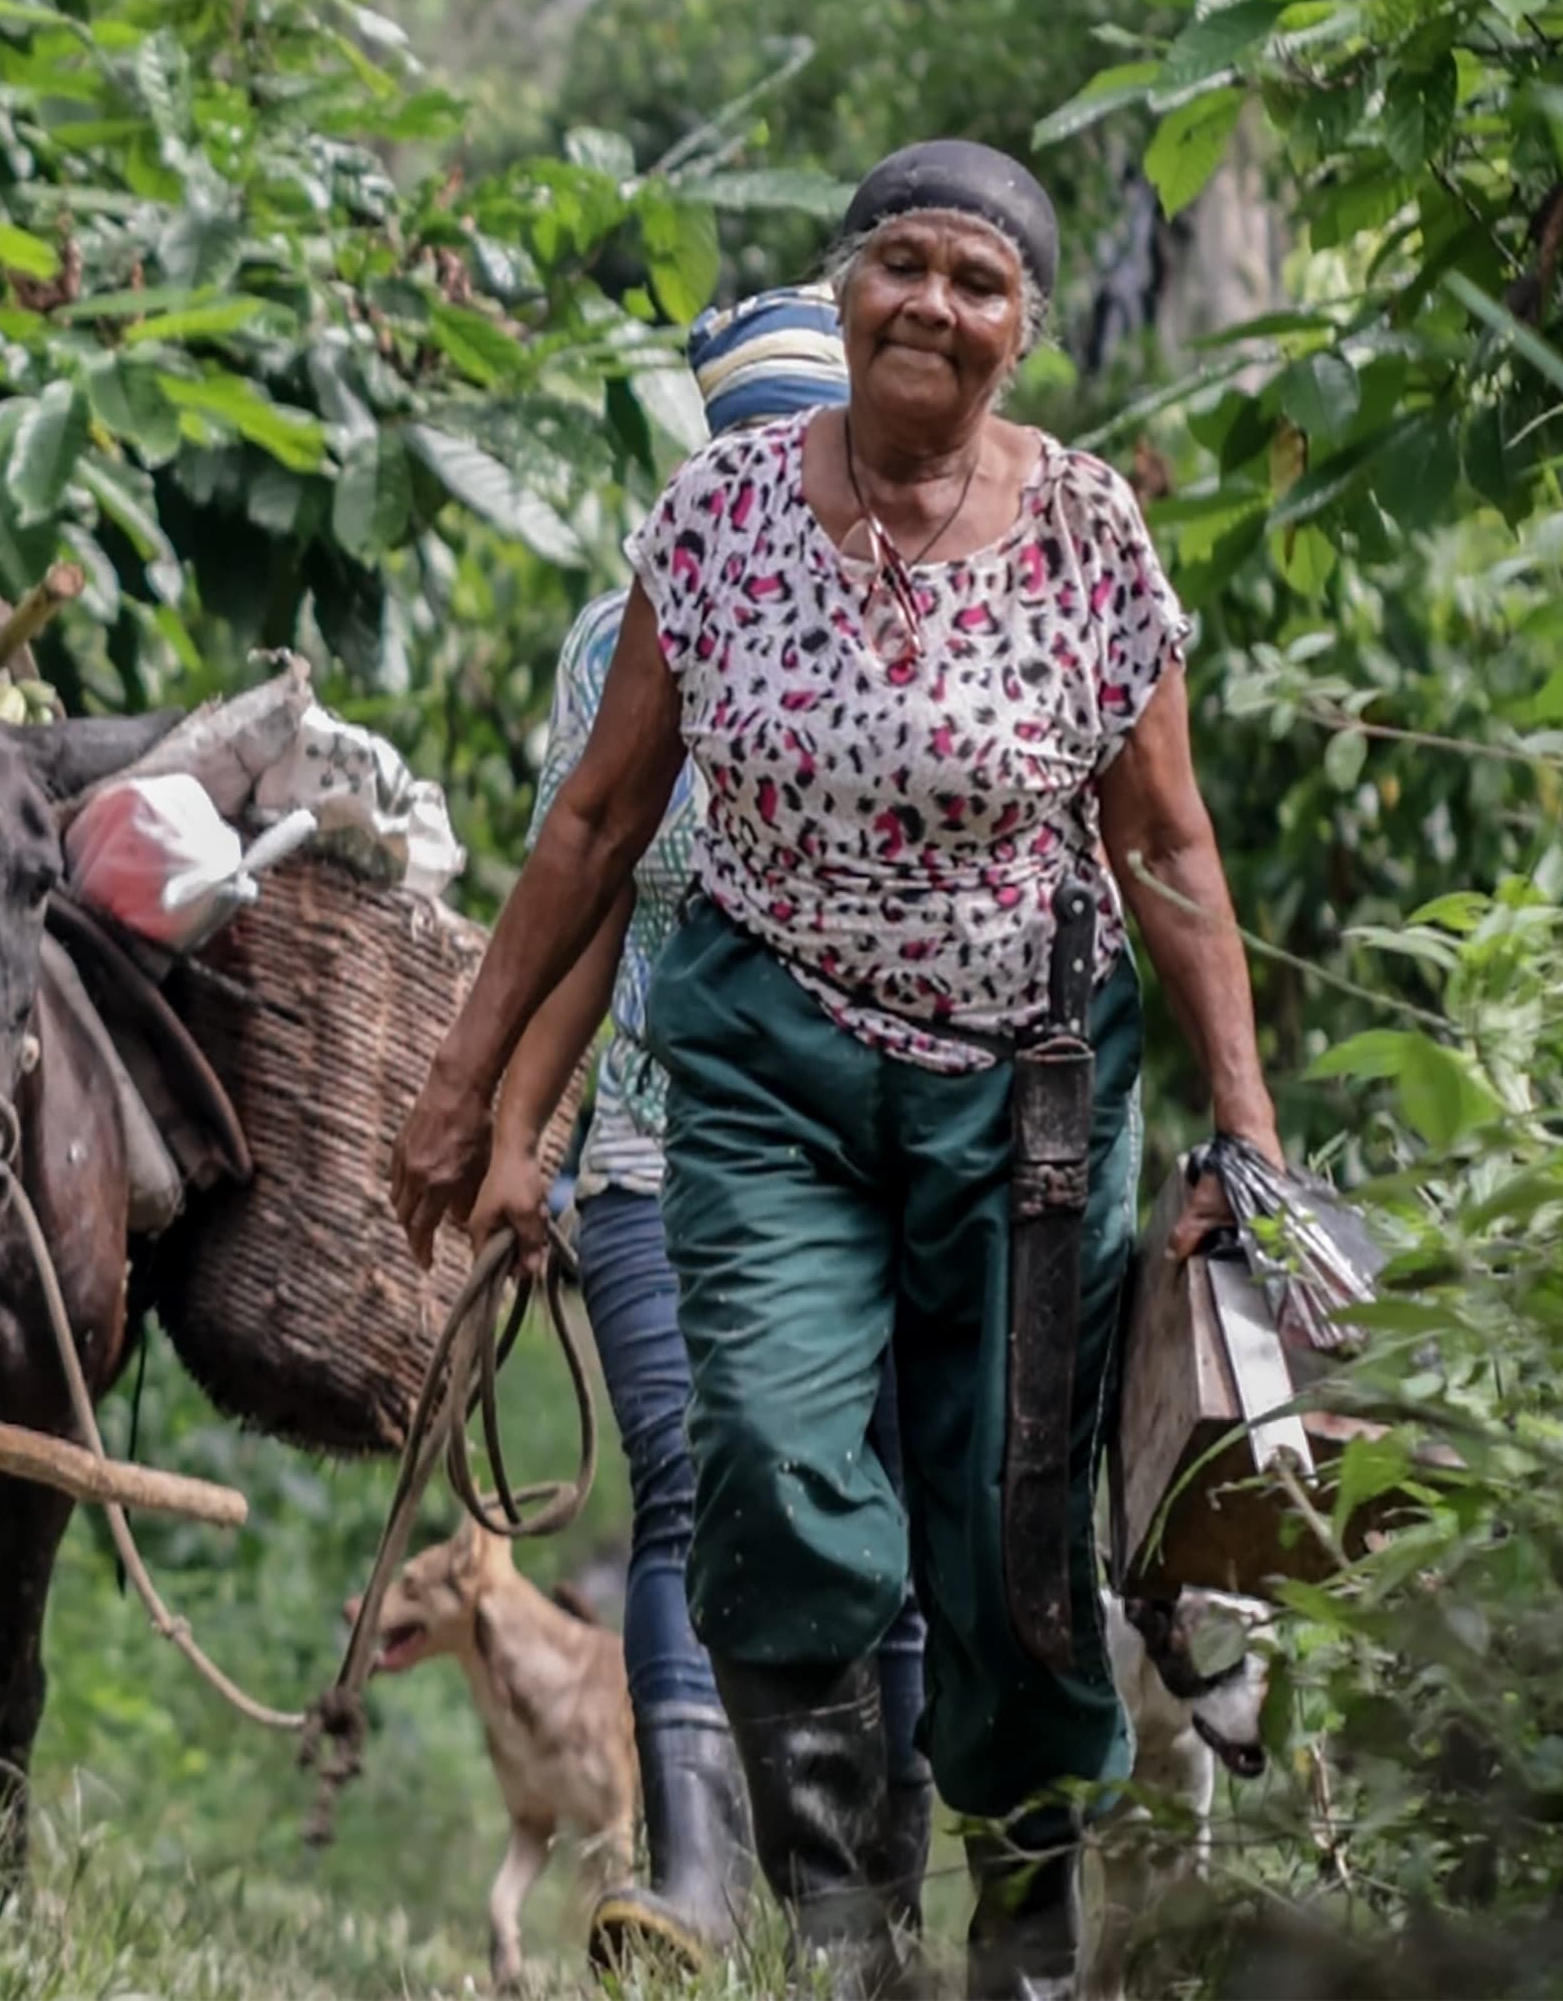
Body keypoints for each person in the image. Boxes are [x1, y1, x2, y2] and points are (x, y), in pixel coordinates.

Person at [396, 140, 1280, 2001]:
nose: (934, 307)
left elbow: (1171, 854)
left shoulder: (1091, 533)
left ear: (1022, 330)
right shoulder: (716, 520)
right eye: (904, 266)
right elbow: (601, 820)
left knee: (1012, 1525)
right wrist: (470, 1084)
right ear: (846, 282)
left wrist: (1246, 1140)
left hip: (1033, 1101)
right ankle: (848, 1931)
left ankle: (1025, 1940)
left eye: (979, 283)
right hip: (773, 1071)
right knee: (780, 1475)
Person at [477, 284, 937, 1978]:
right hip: (661, 1144)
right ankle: (691, 1873)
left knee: (865, 1504)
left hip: (881, 1156)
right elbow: (568, 888)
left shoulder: (932, 636)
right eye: (743, 463)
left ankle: (870, 1898)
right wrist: (518, 1131)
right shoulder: (621, 642)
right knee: (690, 1485)